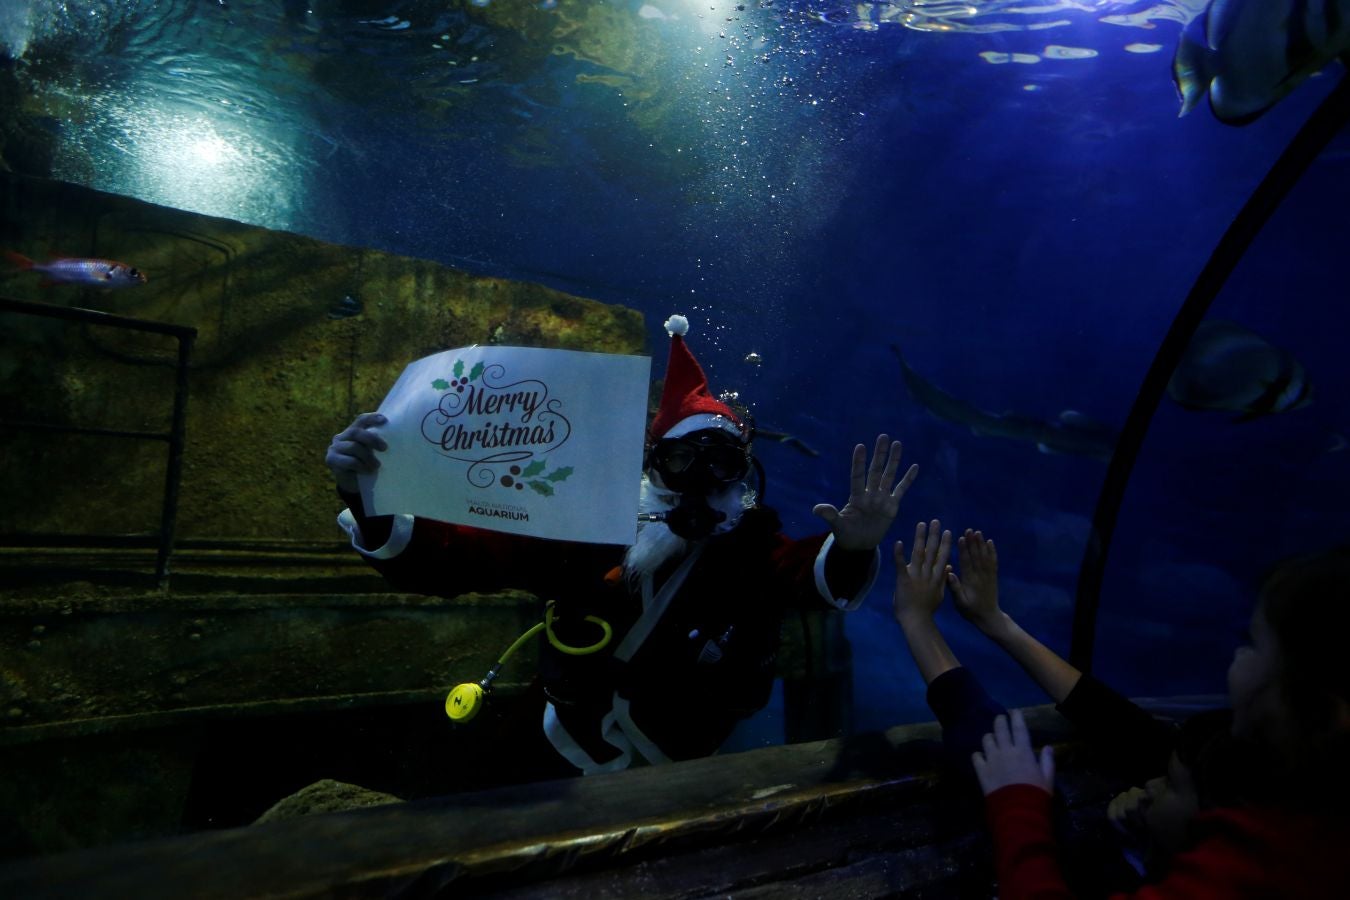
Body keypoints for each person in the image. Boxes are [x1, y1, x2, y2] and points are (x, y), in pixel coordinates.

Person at [325, 314, 918, 774]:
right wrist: (368, 497)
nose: (698, 483)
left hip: (680, 756)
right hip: (567, 734)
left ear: (743, 476)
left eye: (720, 465)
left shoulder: (748, 543)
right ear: (653, 464)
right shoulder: (590, 522)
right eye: (681, 459)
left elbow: (797, 572)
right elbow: (468, 554)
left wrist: (852, 548)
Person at [971, 543, 1350, 899]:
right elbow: (1132, 733)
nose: (1237, 653)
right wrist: (1000, 625)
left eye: (1253, 643)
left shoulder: (1264, 865)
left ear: (1318, 712)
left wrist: (1017, 803)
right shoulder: (1287, 790)